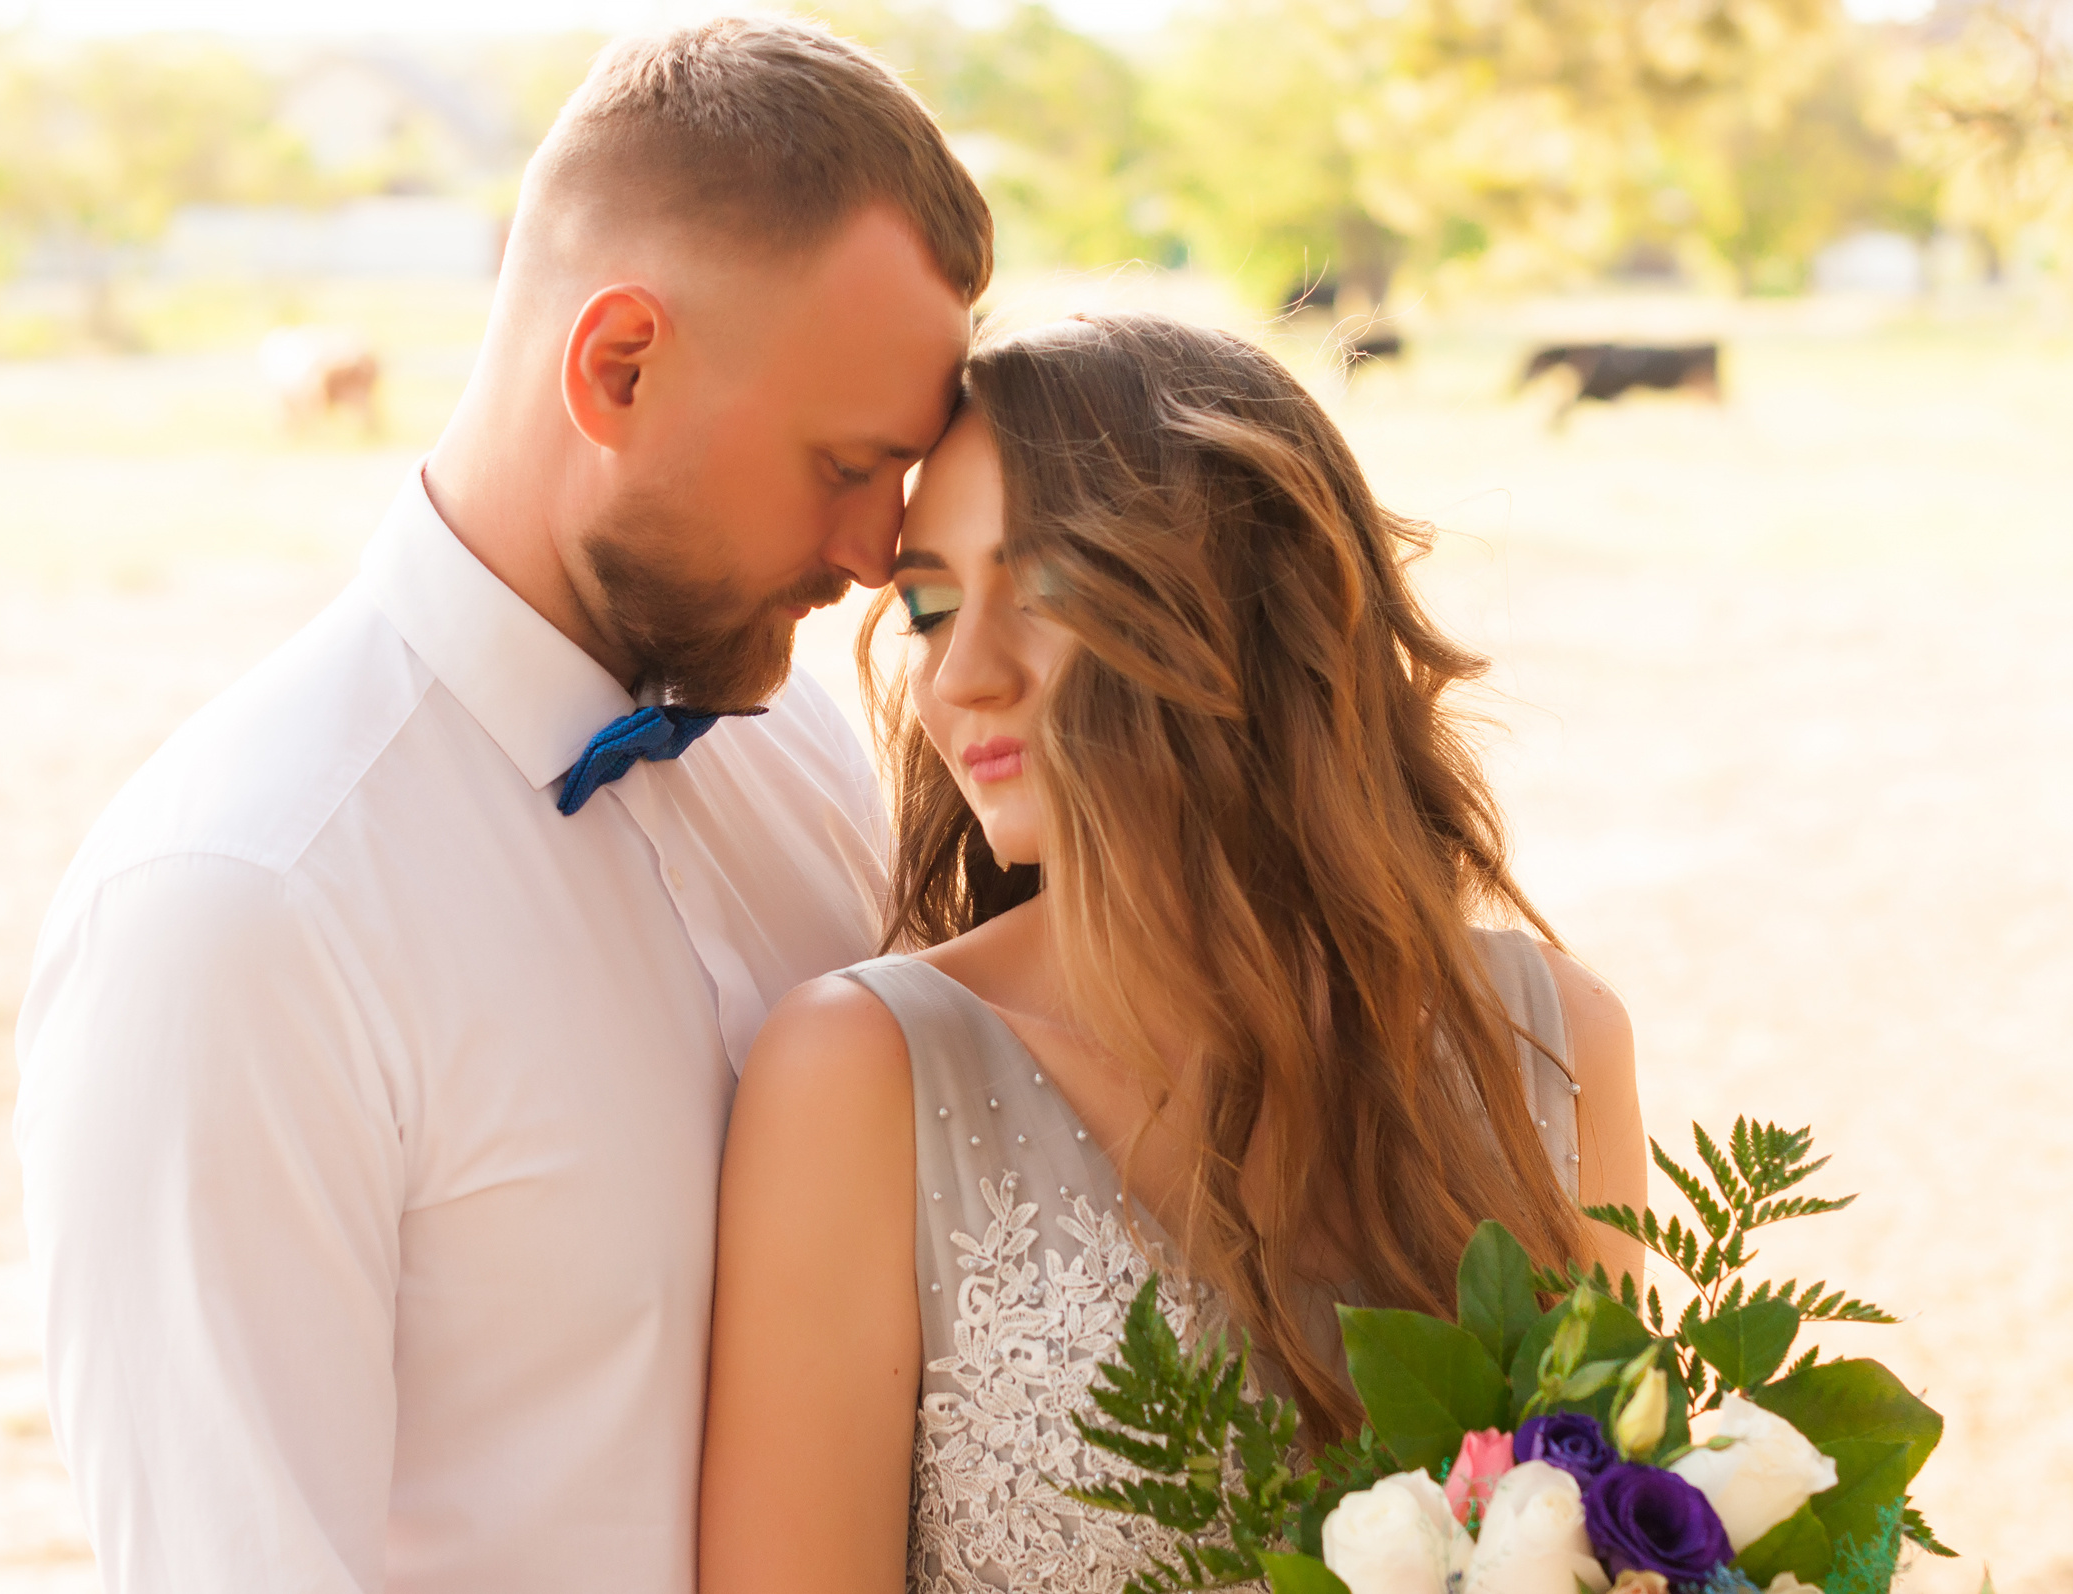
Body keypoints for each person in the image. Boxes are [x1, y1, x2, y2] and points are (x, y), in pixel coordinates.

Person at [13, 20, 990, 1593]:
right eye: (843, 465)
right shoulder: (242, 910)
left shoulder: (803, 743)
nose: (880, 549)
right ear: (619, 365)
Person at [698, 313, 1649, 1594]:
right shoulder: (861, 1074)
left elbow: (1622, 1524)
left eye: (1042, 588)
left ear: (1245, 610)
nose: (961, 673)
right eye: (927, 605)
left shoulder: (1552, 1042)